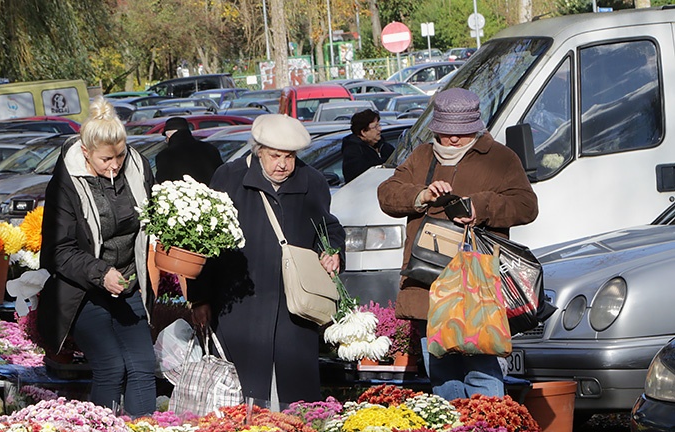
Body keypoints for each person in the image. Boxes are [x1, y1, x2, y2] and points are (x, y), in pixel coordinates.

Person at [377, 88, 538, 400]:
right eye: (447, 132)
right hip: (429, 283)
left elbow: (527, 206)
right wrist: (421, 196)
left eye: (461, 133)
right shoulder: (422, 156)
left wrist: (481, 207)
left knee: (482, 371)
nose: (452, 140)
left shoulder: (501, 158)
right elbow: (387, 193)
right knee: (441, 375)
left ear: (475, 127)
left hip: (476, 286)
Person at [189, 114, 345, 408]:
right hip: (239, 302)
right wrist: (200, 297)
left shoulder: (311, 180)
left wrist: (333, 250)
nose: (283, 164)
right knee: (241, 394)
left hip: (294, 303)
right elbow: (206, 242)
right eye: (275, 156)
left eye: (289, 156)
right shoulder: (229, 177)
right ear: (258, 150)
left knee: (299, 396)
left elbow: (329, 227)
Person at [36, 97, 157, 417]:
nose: (115, 165)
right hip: (82, 289)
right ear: (86, 152)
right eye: (106, 159)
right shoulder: (66, 182)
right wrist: (100, 273)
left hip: (128, 281)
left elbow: (153, 219)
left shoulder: (138, 166)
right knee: (111, 365)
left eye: (120, 155)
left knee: (144, 366)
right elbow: (58, 250)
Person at [154, 116, 224, 185]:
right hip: (212, 194)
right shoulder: (209, 148)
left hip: (182, 195)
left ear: (168, 136)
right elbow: (221, 174)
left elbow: (164, 183)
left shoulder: (165, 155)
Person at [341, 109, 395, 183]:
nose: (380, 129)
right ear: (363, 132)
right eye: (375, 127)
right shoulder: (353, 151)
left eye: (379, 125)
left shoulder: (384, 146)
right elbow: (359, 175)